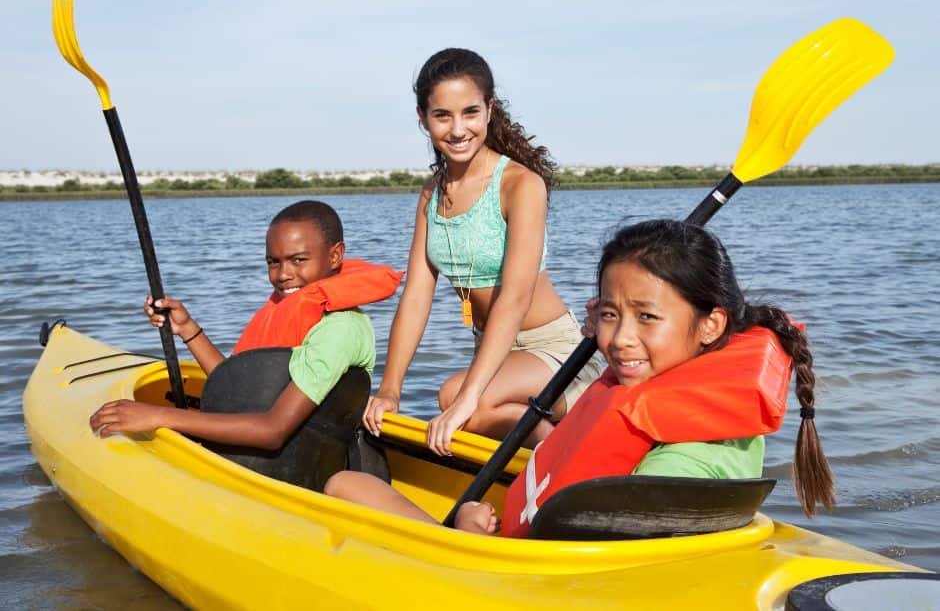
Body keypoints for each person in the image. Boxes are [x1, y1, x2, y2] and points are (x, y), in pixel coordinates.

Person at [326, 219, 834, 537]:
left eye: (647, 318)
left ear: (711, 325)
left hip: (515, 573)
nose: (620, 340)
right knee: (347, 482)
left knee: (344, 486)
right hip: (527, 530)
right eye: (610, 316)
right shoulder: (655, 382)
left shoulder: (685, 464)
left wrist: (470, 534)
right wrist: (622, 317)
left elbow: (577, 566)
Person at [363, 48, 606, 455]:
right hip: (496, 353)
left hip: (554, 351)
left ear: (489, 110)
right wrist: (389, 390)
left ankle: (579, 455)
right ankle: (560, 453)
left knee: (454, 396)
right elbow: (417, 297)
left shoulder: (520, 184)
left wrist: (467, 397)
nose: (458, 129)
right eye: (443, 115)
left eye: (470, 112)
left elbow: (514, 298)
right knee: (461, 404)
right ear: (423, 118)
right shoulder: (431, 195)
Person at [90, 200, 403, 449]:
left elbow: (272, 431)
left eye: (298, 260)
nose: (283, 274)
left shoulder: (340, 330)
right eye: (273, 262)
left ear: (335, 256)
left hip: (298, 466)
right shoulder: (290, 309)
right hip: (276, 457)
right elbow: (243, 390)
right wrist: (187, 328)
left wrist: (160, 416)